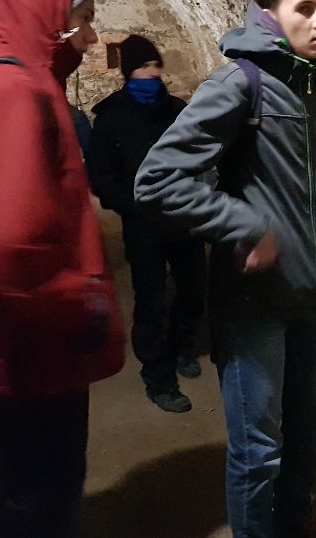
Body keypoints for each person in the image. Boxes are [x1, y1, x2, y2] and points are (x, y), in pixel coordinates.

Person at [134, 0, 316, 538]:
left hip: (311, 294)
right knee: (258, 447)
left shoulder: (314, 86)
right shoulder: (239, 83)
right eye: (305, 8)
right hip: (256, 302)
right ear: (268, 15)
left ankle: (293, 524)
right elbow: (157, 180)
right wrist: (243, 225)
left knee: (307, 425)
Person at [0, 0, 125, 538]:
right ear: (47, 15)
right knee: (30, 508)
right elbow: (3, 248)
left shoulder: (14, 80)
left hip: (21, 354)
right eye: (83, 18)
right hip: (24, 358)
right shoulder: (9, 92)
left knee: (17, 501)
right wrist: (80, 302)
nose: (91, 35)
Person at [88, 34, 207, 413]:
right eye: (144, 66)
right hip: (144, 227)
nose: (152, 72)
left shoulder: (177, 111)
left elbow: (200, 154)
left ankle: (182, 347)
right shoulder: (112, 119)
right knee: (151, 302)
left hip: (183, 219)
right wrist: (134, 206)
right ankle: (159, 378)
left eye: (156, 64)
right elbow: (103, 177)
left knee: (193, 291)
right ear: (129, 72)